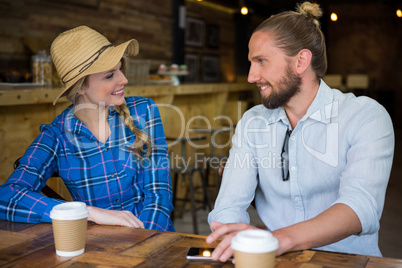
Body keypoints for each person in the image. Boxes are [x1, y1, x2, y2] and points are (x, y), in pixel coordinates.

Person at [206, 2, 394, 261]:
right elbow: (228, 206)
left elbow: (361, 207)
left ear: (301, 61)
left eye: (261, 61)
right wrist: (234, 238)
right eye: (251, 62)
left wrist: (276, 240)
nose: (251, 76)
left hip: (348, 261)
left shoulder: (365, 117)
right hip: (275, 260)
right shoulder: (252, 122)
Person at [0, 26, 174, 231]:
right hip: (96, 250)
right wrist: (88, 212)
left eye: (120, 69)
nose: (124, 80)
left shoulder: (143, 111)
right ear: (81, 87)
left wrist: (142, 241)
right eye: (110, 75)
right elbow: (7, 196)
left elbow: (159, 194)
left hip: (153, 238)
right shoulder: (57, 135)